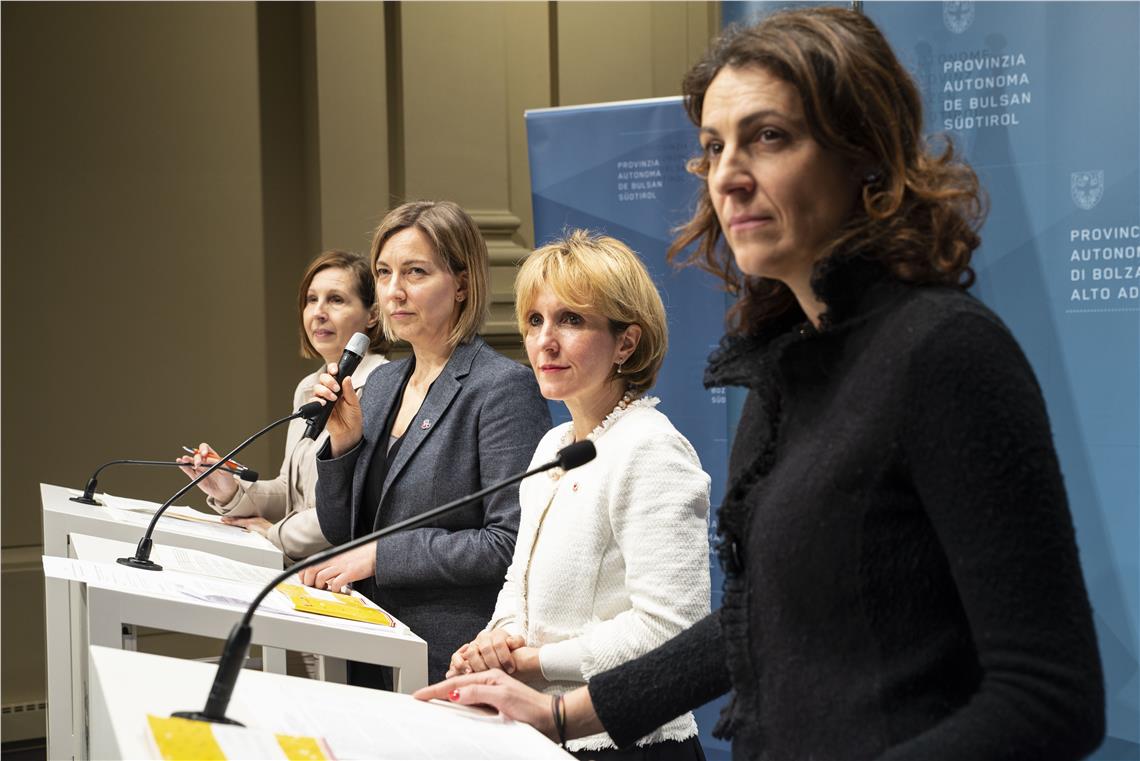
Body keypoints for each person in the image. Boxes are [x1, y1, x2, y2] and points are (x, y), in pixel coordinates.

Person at [414, 8, 1106, 759]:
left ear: (865, 152)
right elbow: (748, 624)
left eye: (769, 136)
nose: (729, 175)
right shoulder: (785, 370)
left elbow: (1049, 695)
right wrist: (560, 716)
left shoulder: (946, 351)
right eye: (715, 147)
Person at [447, 231, 710, 759]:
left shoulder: (651, 448)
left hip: (628, 741)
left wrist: (533, 663)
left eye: (570, 320)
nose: (544, 341)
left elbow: (672, 632)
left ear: (626, 343)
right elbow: (519, 583)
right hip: (542, 732)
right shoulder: (555, 444)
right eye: (535, 320)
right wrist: (496, 641)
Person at [300, 200, 551, 685]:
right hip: (364, 640)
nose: (394, 291)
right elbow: (338, 530)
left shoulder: (501, 389)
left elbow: (510, 543)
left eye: (415, 272)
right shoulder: (381, 385)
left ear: (462, 284)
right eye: (384, 273)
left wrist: (382, 555)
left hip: (447, 658)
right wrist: (343, 445)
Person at [178, 250, 387, 562]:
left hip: (342, 571)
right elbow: (291, 492)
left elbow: (354, 507)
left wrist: (275, 535)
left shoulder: (383, 385)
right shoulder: (308, 388)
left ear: (373, 315)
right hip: (296, 565)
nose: (318, 312)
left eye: (336, 300)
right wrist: (231, 491)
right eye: (311, 300)